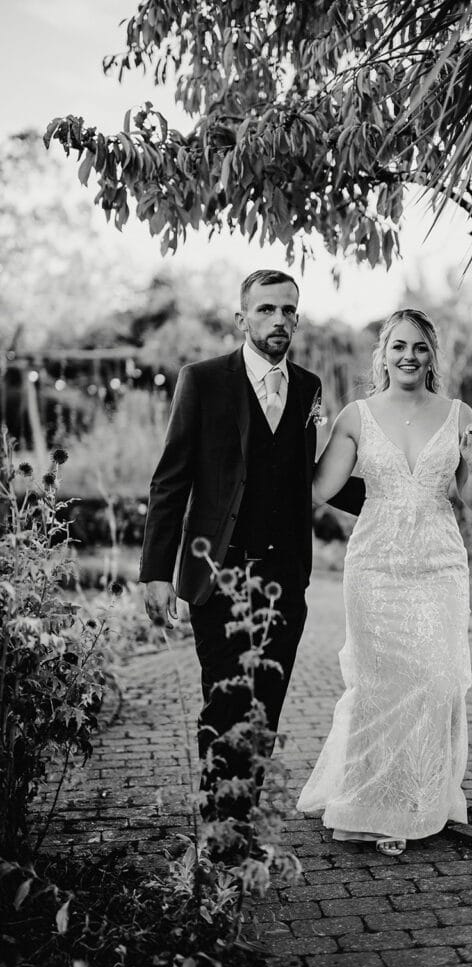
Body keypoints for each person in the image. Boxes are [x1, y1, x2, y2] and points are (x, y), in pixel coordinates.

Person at [139, 269, 362, 826]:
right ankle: (221, 830)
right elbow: (171, 479)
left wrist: (400, 491)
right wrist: (155, 571)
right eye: (266, 310)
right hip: (217, 573)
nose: (279, 320)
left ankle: (242, 818)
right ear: (242, 319)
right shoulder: (203, 380)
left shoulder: (308, 387)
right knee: (224, 701)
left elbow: (309, 476)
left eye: (289, 309)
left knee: (266, 703)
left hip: (284, 577)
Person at [297, 308, 472, 856]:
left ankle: (423, 796)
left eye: (421, 348)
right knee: (380, 686)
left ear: (432, 357)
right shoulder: (356, 416)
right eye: (399, 346)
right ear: (382, 354)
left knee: (437, 680)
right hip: (376, 568)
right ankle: (370, 801)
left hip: (439, 564)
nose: (409, 356)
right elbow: (319, 489)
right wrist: (300, 437)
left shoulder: (457, 413)